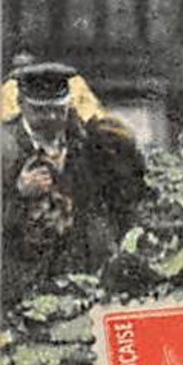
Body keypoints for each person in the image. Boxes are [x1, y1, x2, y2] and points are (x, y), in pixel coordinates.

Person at [1, 61, 147, 302]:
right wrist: (19, 192)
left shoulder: (91, 140)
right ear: (20, 105)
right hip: (26, 282)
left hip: (86, 273)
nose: (51, 118)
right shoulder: (5, 148)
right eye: (40, 110)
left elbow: (122, 195)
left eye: (58, 110)